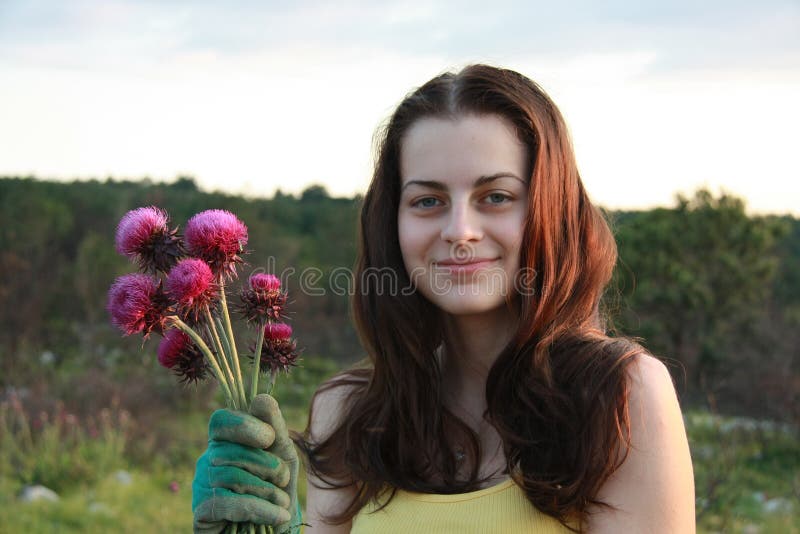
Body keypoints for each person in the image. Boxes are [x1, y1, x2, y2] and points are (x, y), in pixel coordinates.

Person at [191, 64, 696, 533]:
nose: (460, 231)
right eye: (427, 201)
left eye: (495, 196)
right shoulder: (347, 413)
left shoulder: (621, 398)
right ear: (394, 222)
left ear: (552, 211)